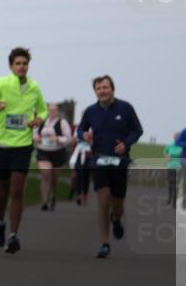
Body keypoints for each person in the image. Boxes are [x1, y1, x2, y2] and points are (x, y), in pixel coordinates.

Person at [0, 46, 47, 254]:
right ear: (11, 66)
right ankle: (0, 221)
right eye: (17, 63)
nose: (21, 67)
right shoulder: (1, 83)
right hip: (0, 145)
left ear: (28, 66)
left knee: (17, 191)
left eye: (24, 63)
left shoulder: (34, 87)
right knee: (3, 190)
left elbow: (43, 109)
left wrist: (38, 119)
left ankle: (13, 235)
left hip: (23, 146)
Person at [77, 75, 143, 259]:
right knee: (103, 200)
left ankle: (116, 219)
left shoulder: (126, 108)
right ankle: (105, 243)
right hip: (99, 160)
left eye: (105, 87)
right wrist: (84, 136)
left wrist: (126, 144)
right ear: (95, 91)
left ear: (112, 89)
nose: (102, 91)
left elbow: (137, 130)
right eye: (99, 88)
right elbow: (80, 129)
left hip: (119, 162)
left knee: (117, 204)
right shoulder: (90, 111)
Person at [33, 104, 72, 211]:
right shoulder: (41, 121)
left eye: (54, 110)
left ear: (58, 111)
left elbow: (68, 138)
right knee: (46, 174)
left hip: (57, 153)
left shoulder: (62, 123)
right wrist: (36, 138)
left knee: (54, 178)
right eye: (49, 110)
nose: (51, 112)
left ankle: (53, 195)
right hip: (43, 151)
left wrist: (58, 139)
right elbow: (34, 133)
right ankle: (44, 201)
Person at [69, 133, 92, 206]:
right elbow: (73, 143)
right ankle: (78, 195)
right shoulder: (79, 130)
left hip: (88, 156)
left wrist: (90, 140)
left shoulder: (94, 127)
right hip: (79, 156)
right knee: (78, 177)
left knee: (86, 178)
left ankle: (85, 194)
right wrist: (74, 141)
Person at [165, 133, 183, 208]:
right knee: (170, 184)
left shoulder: (182, 146)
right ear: (174, 137)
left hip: (179, 168)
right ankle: (170, 198)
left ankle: (174, 202)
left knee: (176, 185)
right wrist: (167, 157)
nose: (177, 138)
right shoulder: (169, 146)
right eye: (175, 137)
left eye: (178, 137)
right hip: (170, 167)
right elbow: (166, 154)